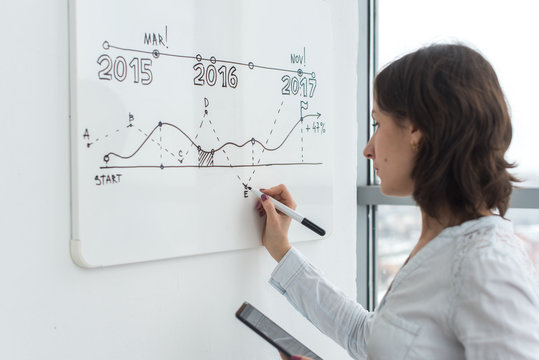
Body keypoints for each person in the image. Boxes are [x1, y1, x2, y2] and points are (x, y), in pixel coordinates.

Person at [255, 43, 539, 359]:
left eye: (378, 124)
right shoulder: (442, 244)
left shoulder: (485, 266)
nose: (368, 148)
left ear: (417, 129)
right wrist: (281, 249)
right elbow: (371, 339)